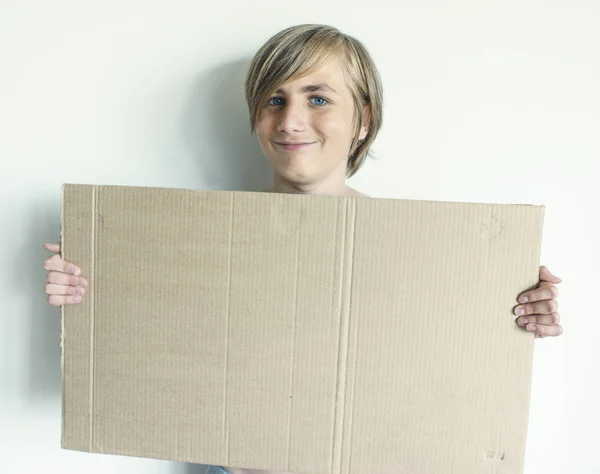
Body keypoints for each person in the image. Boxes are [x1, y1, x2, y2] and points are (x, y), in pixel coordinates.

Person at [42, 24, 563, 474]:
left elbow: (453, 384)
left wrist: (515, 314)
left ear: (363, 118)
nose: (290, 120)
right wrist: (89, 291)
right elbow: (144, 360)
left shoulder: (432, 259)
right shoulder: (190, 251)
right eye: (275, 99)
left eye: (318, 98)